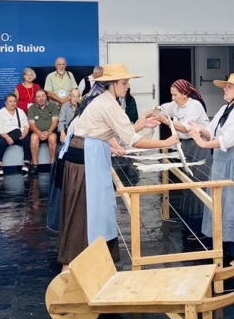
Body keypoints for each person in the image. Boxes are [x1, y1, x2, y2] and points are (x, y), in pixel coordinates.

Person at [58, 63, 179, 272]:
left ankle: (90, 259)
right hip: (86, 157)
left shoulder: (96, 98)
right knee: (84, 209)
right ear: (112, 84)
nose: (127, 87)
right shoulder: (108, 104)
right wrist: (165, 143)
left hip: (86, 152)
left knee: (93, 207)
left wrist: (141, 125)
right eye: (124, 83)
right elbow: (132, 140)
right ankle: (70, 266)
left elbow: (112, 131)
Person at [189, 73, 234, 266]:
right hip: (224, 158)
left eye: (229, 87)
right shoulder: (225, 108)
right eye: (225, 86)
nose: (225, 89)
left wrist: (203, 144)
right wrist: (197, 129)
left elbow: (228, 138)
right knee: (225, 203)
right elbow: (211, 130)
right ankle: (227, 244)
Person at [147, 79, 211, 239]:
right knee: (188, 182)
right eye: (172, 95)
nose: (173, 97)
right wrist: (146, 118)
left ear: (185, 94)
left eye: (175, 95)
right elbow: (158, 109)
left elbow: (184, 127)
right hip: (186, 146)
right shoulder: (174, 105)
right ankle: (189, 224)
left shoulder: (194, 106)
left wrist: (165, 120)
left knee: (198, 183)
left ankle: (201, 229)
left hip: (199, 146)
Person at [0, 94, 31, 176]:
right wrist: (7, 137)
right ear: (5, 103)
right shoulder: (1, 113)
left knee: (28, 139)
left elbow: (26, 125)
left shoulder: (20, 112)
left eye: (14, 101)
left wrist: (24, 133)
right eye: (10, 101)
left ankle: (26, 163)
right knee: (0, 142)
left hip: (19, 135)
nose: (12, 103)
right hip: (6, 135)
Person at [28, 89, 59, 174]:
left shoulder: (53, 106)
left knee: (52, 138)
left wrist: (49, 132)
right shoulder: (31, 108)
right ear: (35, 98)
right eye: (38, 96)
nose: (41, 98)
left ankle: (52, 163)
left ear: (46, 97)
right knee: (33, 137)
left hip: (51, 131)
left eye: (43, 96)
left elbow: (55, 121)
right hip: (37, 132)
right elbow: (31, 124)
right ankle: (34, 164)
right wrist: (38, 133)